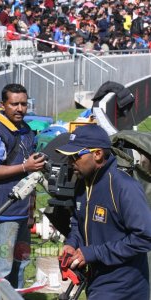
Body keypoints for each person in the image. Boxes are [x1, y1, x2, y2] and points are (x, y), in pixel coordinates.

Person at [56, 124, 151, 300]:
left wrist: (93, 253)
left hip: (124, 286)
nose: (70, 162)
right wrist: (71, 243)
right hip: (96, 280)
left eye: (75, 156)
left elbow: (144, 237)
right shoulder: (82, 183)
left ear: (97, 154)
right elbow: (78, 222)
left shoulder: (124, 187)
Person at [0, 84, 45, 293]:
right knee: (2, 268)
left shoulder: (24, 129)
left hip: (23, 211)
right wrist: (25, 166)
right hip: (4, 211)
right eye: (14, 104)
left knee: (21, 263)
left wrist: (31, 209)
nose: (19, 108)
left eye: (23, 104)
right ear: (3, 105)